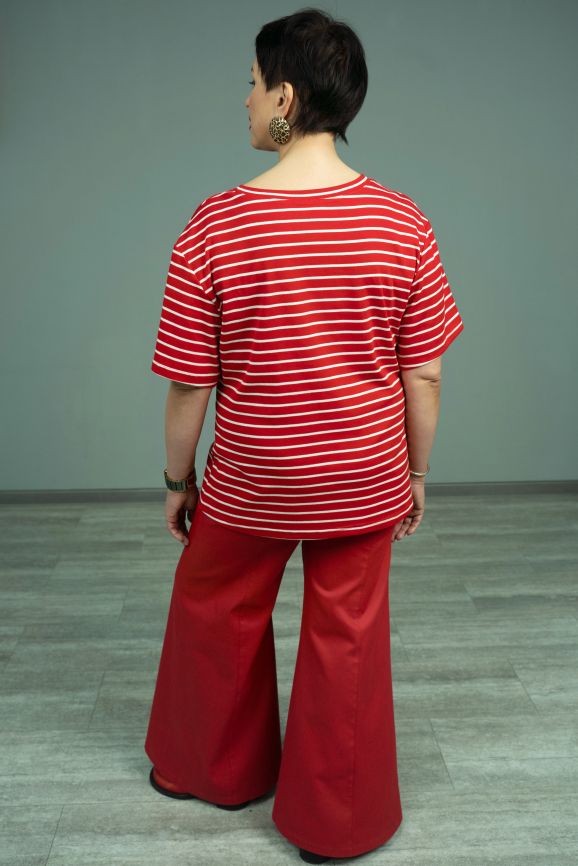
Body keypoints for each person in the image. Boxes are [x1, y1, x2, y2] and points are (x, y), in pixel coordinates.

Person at [144, 7, 464, 864]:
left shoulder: (215, 223)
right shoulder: (403, 222)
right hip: (364, 476)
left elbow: (190, 382)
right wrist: (416, 474)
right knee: (347, 636)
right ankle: (338, 823)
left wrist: (178, 482)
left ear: (284, 97)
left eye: (252, 84)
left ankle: (213, 771)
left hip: (252, 479)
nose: (245, 100)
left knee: (215, 607)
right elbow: (425, 374)